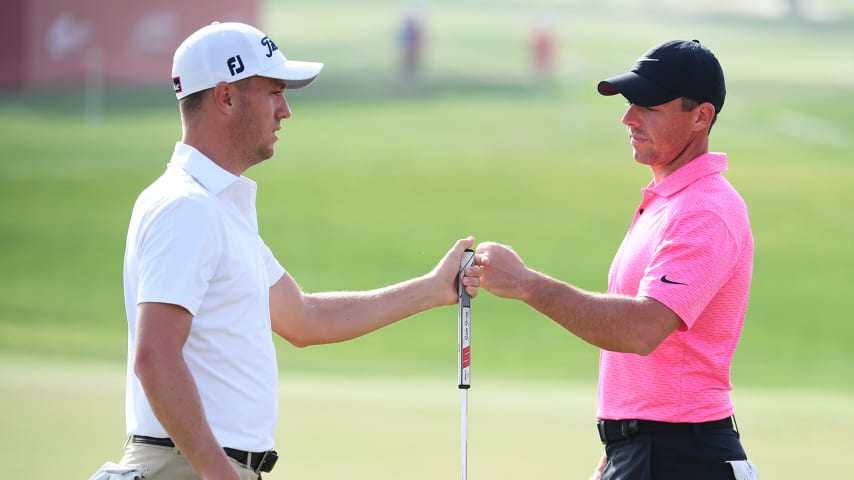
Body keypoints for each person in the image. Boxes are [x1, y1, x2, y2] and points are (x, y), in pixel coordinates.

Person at [98, 21, 480, 480]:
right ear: (226, 97)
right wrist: (219, 474)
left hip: (197, 466)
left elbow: (303, 318)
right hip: (187, 468)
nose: (285, 111)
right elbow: (155, 355)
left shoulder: (217, 208)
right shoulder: (187, 207)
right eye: (274, 91)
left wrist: (432, 289)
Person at [474, 39, 759, 479]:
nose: (628, 118)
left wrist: (526, 284)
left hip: (681, 456)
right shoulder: (670, 202)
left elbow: (641, 328)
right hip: (652, 450)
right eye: (630, 104)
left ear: (701, 116)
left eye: (649, 106)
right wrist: (618, 452)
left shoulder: (704, 209)